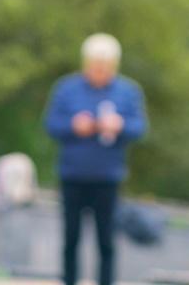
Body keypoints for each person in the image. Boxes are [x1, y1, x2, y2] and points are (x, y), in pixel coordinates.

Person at [44, 33, 148, 285]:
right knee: (70, 239)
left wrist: (120, 125)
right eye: (94, 65)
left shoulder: (128, 91)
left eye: (105, 66)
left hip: (108, 178)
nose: (99, 71)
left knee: (107, 241)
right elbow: (50, 124)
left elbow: (139, 127)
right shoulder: (66, 88)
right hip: (73, 176)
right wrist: (73, 126)